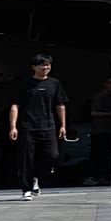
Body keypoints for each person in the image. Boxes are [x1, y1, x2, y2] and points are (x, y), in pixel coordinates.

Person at [8, 54, 67, 200]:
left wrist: (63, 125)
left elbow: (60, 105)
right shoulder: (25, 84)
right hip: (27, 126)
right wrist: (13, 126)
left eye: (48, 65)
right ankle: (26, 189)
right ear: (33, 67)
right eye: (42, 65)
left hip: (48, 126)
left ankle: (36, 177)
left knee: (53, 156)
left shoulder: (55, 83)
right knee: (26, 159)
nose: (46, 67)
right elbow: (15, 105)